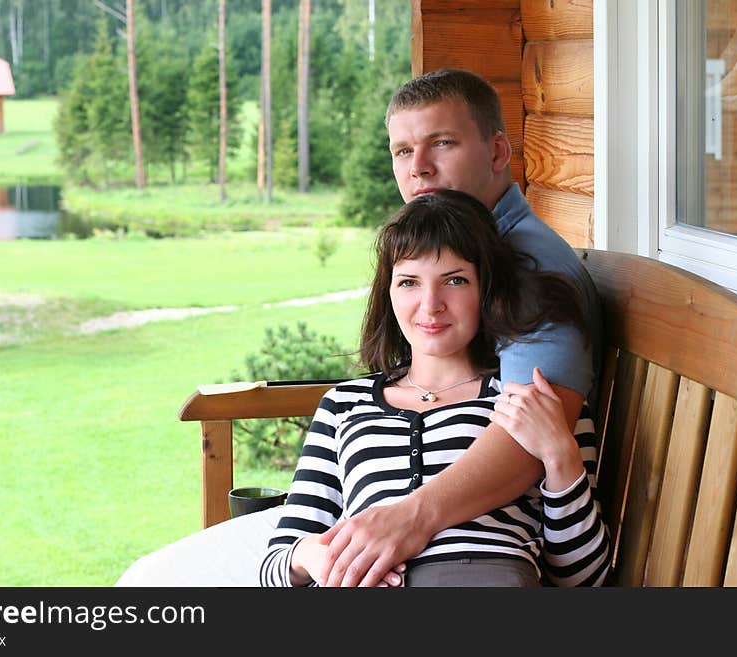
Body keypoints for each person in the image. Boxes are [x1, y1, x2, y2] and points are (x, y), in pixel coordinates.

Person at [314, 68, 602, 587]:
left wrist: (407, 518)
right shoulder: (466, 241)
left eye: (441, 143)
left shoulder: (533, 272)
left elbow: (529, 440)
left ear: (496, 154)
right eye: (402, 151)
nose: (418, 169)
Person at [259, 190, 609, 587]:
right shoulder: (344, 405)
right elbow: (275, 565)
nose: (430, 305)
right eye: (409, 282)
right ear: (387, 292)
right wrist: (315, 556)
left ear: (487, 290)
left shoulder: (527, 402)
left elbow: (585, 578)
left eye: (455, 280)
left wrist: (560, 455)